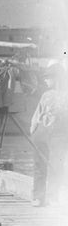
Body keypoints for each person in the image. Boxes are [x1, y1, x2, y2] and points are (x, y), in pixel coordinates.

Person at [29, 63, 68, 207]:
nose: (45, 80)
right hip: (42, 133)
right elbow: (37, 114)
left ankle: (52, 197)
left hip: (58, 134)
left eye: (48, 78)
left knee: (55, 166)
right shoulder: (46, 94)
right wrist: (33, 131)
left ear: (57, 78)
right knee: (40, 165)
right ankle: (39, 197)